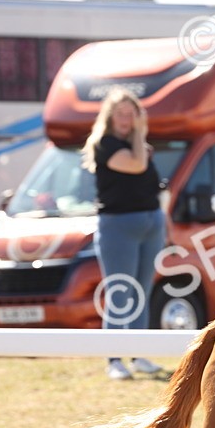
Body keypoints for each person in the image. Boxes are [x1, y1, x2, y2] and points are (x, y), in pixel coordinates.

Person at [81, 87, 168, 380]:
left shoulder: (138, 145)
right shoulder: (105, 144)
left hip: (150, 223)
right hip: (118, 226)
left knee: (142, 291)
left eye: (131, 114)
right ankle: (114, 359)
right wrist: (141, 134)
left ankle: (139, 353)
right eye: (121, 114)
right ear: (110, 116)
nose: (126, 119)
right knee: (121, 292)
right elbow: (136, 165)